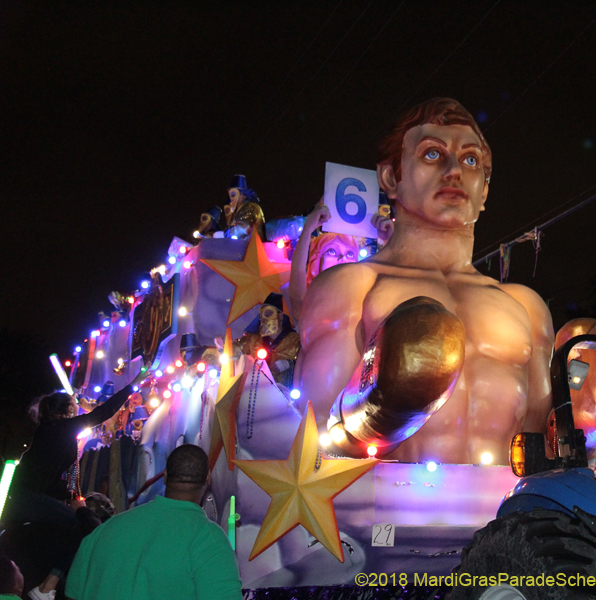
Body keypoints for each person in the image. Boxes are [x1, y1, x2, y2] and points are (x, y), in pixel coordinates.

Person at [292, 97, 554, 464]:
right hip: (380, 514)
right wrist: (385, 407)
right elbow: (315, 438)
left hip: (506, 514)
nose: (453, 171)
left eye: (470, 160)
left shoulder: (526, 307)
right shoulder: (352, 286)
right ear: (390, 177)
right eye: (432, 154)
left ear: (485, 192)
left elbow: (540, 444)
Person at [2, 369, 146, 600]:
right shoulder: (63, 429)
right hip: (27, 497)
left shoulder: (49, 431)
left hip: (24, 494)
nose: (78, 404)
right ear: (69, 410)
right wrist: (133, 385)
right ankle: (47, 588)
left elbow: (47, 475)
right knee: (82, 526)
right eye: (74, 403)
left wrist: (71, 498)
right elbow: (104, 412)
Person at [66, 444, 242, 600]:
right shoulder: (209, 540)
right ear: (207, 478)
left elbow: (72, 594)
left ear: (165, 476)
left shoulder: (104, 531)